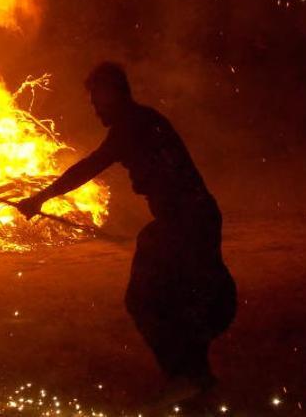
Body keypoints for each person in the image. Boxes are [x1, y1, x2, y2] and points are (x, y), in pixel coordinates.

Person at [15, 62, 236, 402]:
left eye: (96, 98)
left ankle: (187, 378)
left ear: (113, 93)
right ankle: (196, 378)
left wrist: (40, 199)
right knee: (182, 298)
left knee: (147, 300)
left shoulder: (131, 126)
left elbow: (89, 166)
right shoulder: (144, 120)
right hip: (194, 218)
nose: (94, 106)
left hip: (186, 222)